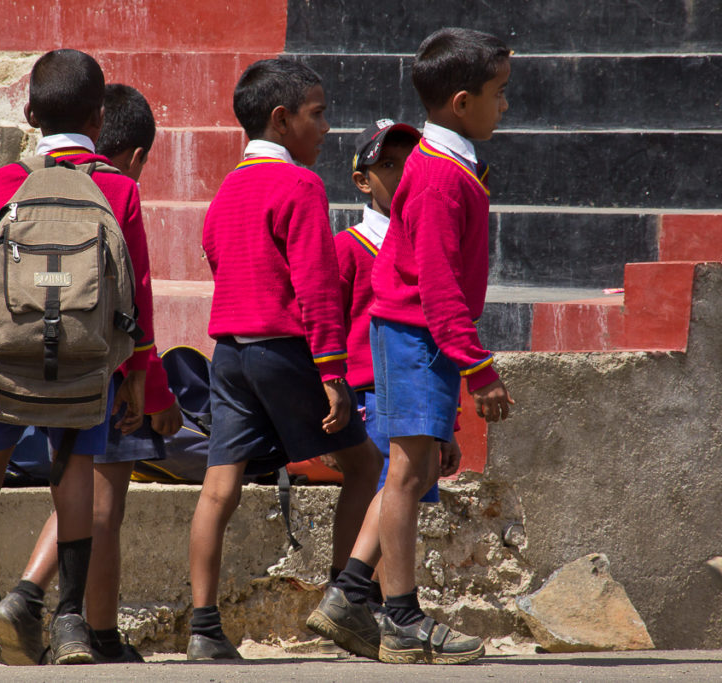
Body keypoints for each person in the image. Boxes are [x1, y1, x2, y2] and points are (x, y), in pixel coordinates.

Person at [0, 51, 157, 668]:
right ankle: (68, 624)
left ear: (30, 112)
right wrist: (139, 372)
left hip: (8, 363)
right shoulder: (117, 188)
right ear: (98, 118)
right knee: (74, 482)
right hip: (86, 371)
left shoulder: (5, 184)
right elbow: (135, 292)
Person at [187, 57, 380, 661]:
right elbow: (317, 286)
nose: (325, 126)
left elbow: (216, 254)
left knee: (219, 487)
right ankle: (345, 604)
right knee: (365, 465)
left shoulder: (226, 190)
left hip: (229, 355)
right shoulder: (300, 185)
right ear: (281, 118)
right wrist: (332, 373)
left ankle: (203, 627)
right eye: (317, 114)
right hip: (285, 351)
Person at [0, 83, 183, 666]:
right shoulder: (116, 191)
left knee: (86, 498)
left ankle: (72, 617)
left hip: (30, 358)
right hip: (110, 373)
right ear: (138, 155)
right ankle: (64, 612)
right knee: (103, 503)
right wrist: (154, 386)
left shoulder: (23, 182)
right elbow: (136, 297)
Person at [373, 27, 513, 664]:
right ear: (462, 102)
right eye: (499, 93)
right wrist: (479, 373)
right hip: (415, 334)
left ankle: (360, 594)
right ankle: (399, 616)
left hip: (421, 338)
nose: (505, 106)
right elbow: (436, 285)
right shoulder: (437, 178)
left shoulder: (448, 167)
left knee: (417, 467)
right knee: (404, 475)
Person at [307, 118, 463, 660]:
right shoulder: (349, 247)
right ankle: (369, 600)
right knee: (398, 483)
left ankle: (354, 596)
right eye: (387, 165)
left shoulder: (420, 237)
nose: (399, 174)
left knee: (406, 484)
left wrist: (449, 422)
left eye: (406, 162)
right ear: (362, 180)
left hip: (412, 386)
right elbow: (326, 321)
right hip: (369, 390)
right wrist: (333, 388)